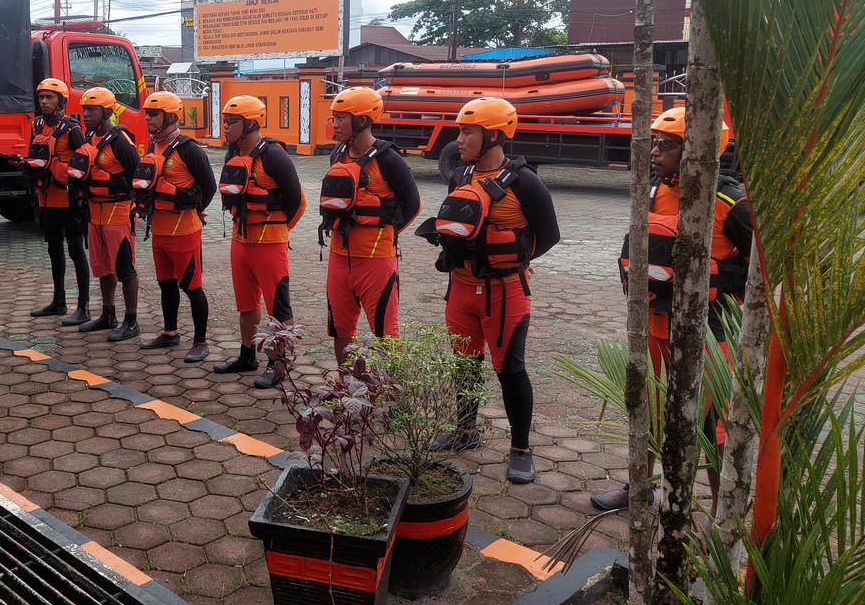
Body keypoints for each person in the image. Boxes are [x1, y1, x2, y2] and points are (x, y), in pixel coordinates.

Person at [592, 107, 751, 511]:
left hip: (710, 336)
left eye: (668, 143)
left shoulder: (732, 204)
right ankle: (638, 488)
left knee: (712, 425)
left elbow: (764, 276)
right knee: (645, 410)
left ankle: (721, 511)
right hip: (654, 325)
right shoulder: (653, 191)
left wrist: (711, 275)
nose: (656, 150)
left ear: (699, 148)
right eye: (655, 142)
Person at [417, 97, 559, 484]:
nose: (458, 139)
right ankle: (465, 431)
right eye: (460, 130)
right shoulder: (460, 176)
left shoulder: (526, 182)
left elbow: (549, 235)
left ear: (493, 135)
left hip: (505, 292)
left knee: (510, 370)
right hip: (461, 290)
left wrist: (510, 258)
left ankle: (521, 449)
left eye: (467, 131)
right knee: (464, 365)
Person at [319, 87, 421, 363]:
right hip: (339, 258)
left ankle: (392, 401)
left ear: (363, 120)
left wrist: (384, 231)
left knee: (387, 334)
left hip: (377, 261)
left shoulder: (389, 159)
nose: (335, 124)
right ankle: (346, 389)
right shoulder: (337, 155)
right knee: (340, 329)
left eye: (341, 117)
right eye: (334, 117)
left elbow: (413, 206)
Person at [214, 95, 304, 388]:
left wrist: (279, 230)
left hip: (270, 243)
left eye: (232, 121)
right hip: (241, 241)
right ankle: (246, 355)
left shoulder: (274, 155)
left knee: (279, 306)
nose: (225, 126)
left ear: (251, 123)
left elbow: (298, 201)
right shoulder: (233, 154)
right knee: (246, 303)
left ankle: (280, 364)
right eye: (225, 120)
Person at [133, 91, 216, 361]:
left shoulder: (189, 149)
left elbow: (209, 187)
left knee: (192, 287)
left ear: (170, 116)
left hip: (185, 231)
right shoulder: (151, 146)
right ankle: (170, 333)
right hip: (160, 230)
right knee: (166, 284)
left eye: (154, 114)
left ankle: (201, 341)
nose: (148, 119)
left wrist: (190, 205)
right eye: (147, 114)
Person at [70, 87, 141, 341]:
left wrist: (133, 202)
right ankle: (108, 314)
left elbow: (139, 174)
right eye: (84, 109)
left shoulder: (120, 140)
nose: (86, 114)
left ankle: (131, 321)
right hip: (96, 213)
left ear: (107, 111)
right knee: (102, 268)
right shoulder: (89, 137)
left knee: (124, 268)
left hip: (118, 213)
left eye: (92, 110)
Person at [25, 78, 91, 326]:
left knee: (75, 250)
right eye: (41, 97)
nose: (44, 101)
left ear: (61, 101)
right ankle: (59, 301)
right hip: (47, 197)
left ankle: (83, 307)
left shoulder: (72, 128)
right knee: (54, 249)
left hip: (69, 199)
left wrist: (55, 168)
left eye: (49, 97)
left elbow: (83, 162)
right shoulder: (38, 124)